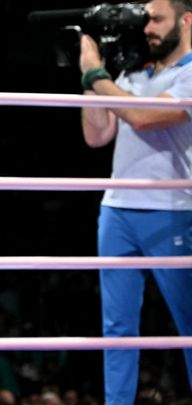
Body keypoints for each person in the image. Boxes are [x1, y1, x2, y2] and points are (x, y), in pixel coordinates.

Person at [78, 0, 192, 404]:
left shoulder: (191, 73)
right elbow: (97, 135)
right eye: (144, 20)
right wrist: (89, 77)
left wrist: (97, 72)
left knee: (190, 326)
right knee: (117, 329)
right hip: (117, 210)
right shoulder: (130, 72)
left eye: (157, 19)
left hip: (173, 211)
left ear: (186, 20)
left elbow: (143, 117)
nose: (147, 28)